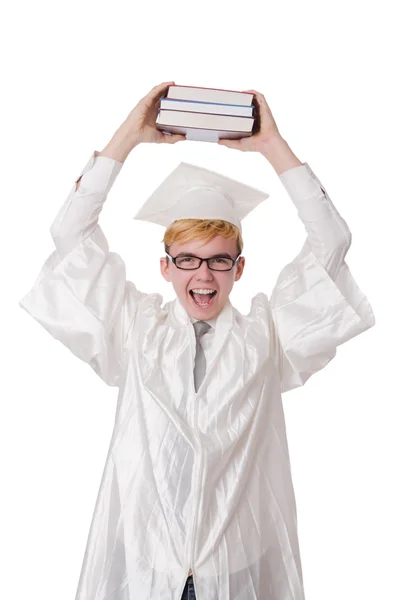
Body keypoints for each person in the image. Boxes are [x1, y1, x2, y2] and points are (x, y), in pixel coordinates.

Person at [19, 81, 375, 600]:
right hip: (148, 568)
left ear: (239, 268)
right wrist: (128, 138)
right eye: (187, 258)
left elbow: (333, 242)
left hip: (235, 570)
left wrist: (272, 146)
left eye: (218, 259)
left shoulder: (268, 336)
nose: (202, 274)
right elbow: (70, 236)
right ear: (165, 267)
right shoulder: (135, 329)